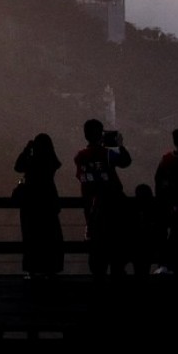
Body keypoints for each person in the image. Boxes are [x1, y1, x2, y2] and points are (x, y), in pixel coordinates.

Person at [74, 118, 132, 278]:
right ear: (100, 135)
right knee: (116, 256)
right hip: (113, 211)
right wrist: (119, 144)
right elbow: (126, 161)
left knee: (97, 259)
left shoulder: (80, 156)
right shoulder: (107, 154)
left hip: (92, 212)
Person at [15, 133, 65, 276]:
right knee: (51, 237)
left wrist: (27, 149)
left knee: (32, 238)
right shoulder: (50, 163)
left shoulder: (31, 162)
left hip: (30, 204)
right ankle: (51, 269)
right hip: (48, 203)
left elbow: (18, 167)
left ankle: (33, 269)